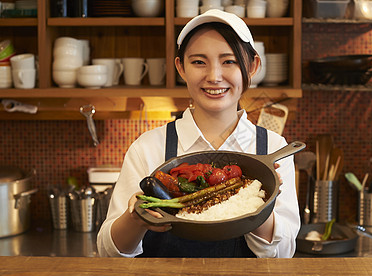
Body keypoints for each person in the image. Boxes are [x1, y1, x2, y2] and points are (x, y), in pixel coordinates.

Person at [97, 9, 300, 258]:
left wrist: (259, 203)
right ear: (181, 68)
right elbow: (109, 254)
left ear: (252, 66)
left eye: (229, 61)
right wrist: (136, 219)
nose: (214, 76)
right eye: (199, 62)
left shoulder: (272, 148)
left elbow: (284, 253)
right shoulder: (148, 147)